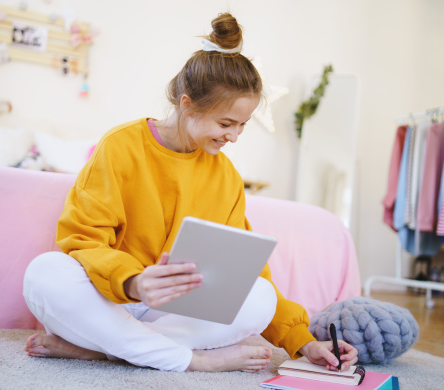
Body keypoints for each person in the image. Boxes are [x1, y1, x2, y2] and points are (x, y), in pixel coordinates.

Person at [23, 12, 358, 373]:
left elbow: (248, 274)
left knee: (258, 298)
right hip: (112, 298)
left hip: (172, 312)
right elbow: (83, 239)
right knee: (44, 273)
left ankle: (106, 351)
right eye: (225, 123)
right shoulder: (120, 146)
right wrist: (135, 283)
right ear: (187, 105)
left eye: (242, 125)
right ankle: (192, 360)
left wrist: (303, 342)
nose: (234, 136)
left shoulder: (226, 176)